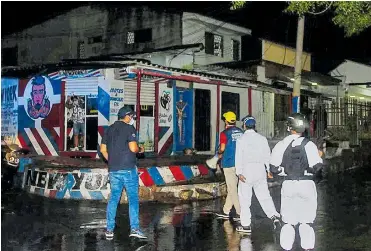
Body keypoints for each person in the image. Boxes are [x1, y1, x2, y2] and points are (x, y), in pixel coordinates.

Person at [270, 113, 323, 251]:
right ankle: (307, 248)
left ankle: (286, 248)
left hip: (288, 185)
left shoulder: (281, 145)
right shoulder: (309, 145)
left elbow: (273, 168)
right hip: (306, 185)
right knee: (306, 222)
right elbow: (317, 167)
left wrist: (284, 172)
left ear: (289, 127)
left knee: (288, 222)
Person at [100, 106, 147, 240]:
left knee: (114, 198)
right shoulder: (129, 128)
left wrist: (113, 160)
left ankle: (109, 230)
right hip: (128, 169)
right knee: (133, 199)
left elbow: (103, 149)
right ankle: (135, 229)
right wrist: (140, 149)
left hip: (113, 170)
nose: (132, 119)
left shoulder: (108, 129)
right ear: (127, 116)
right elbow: (133, 148)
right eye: (131, 116)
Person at [235, 115, 281, 233]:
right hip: (260, 170)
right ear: (254, 126)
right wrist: (268, 170)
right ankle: (274, 216)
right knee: (264, 196)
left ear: (244, 126)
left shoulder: (241, 139)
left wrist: (239, 172)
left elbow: (239, 157)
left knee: (245, 199)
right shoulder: (262, 139)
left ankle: (245, 225)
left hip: (246, 171)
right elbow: (267, 155)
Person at [215, 111, 244, 220]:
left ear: (226, 121)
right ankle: (226, 211)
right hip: (239, 164)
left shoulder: (224, 133)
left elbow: (222, 148)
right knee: (233, 187)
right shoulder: (241, 132)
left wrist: (218, 155)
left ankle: (240, 213)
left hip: (228, 163)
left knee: (232, 189)